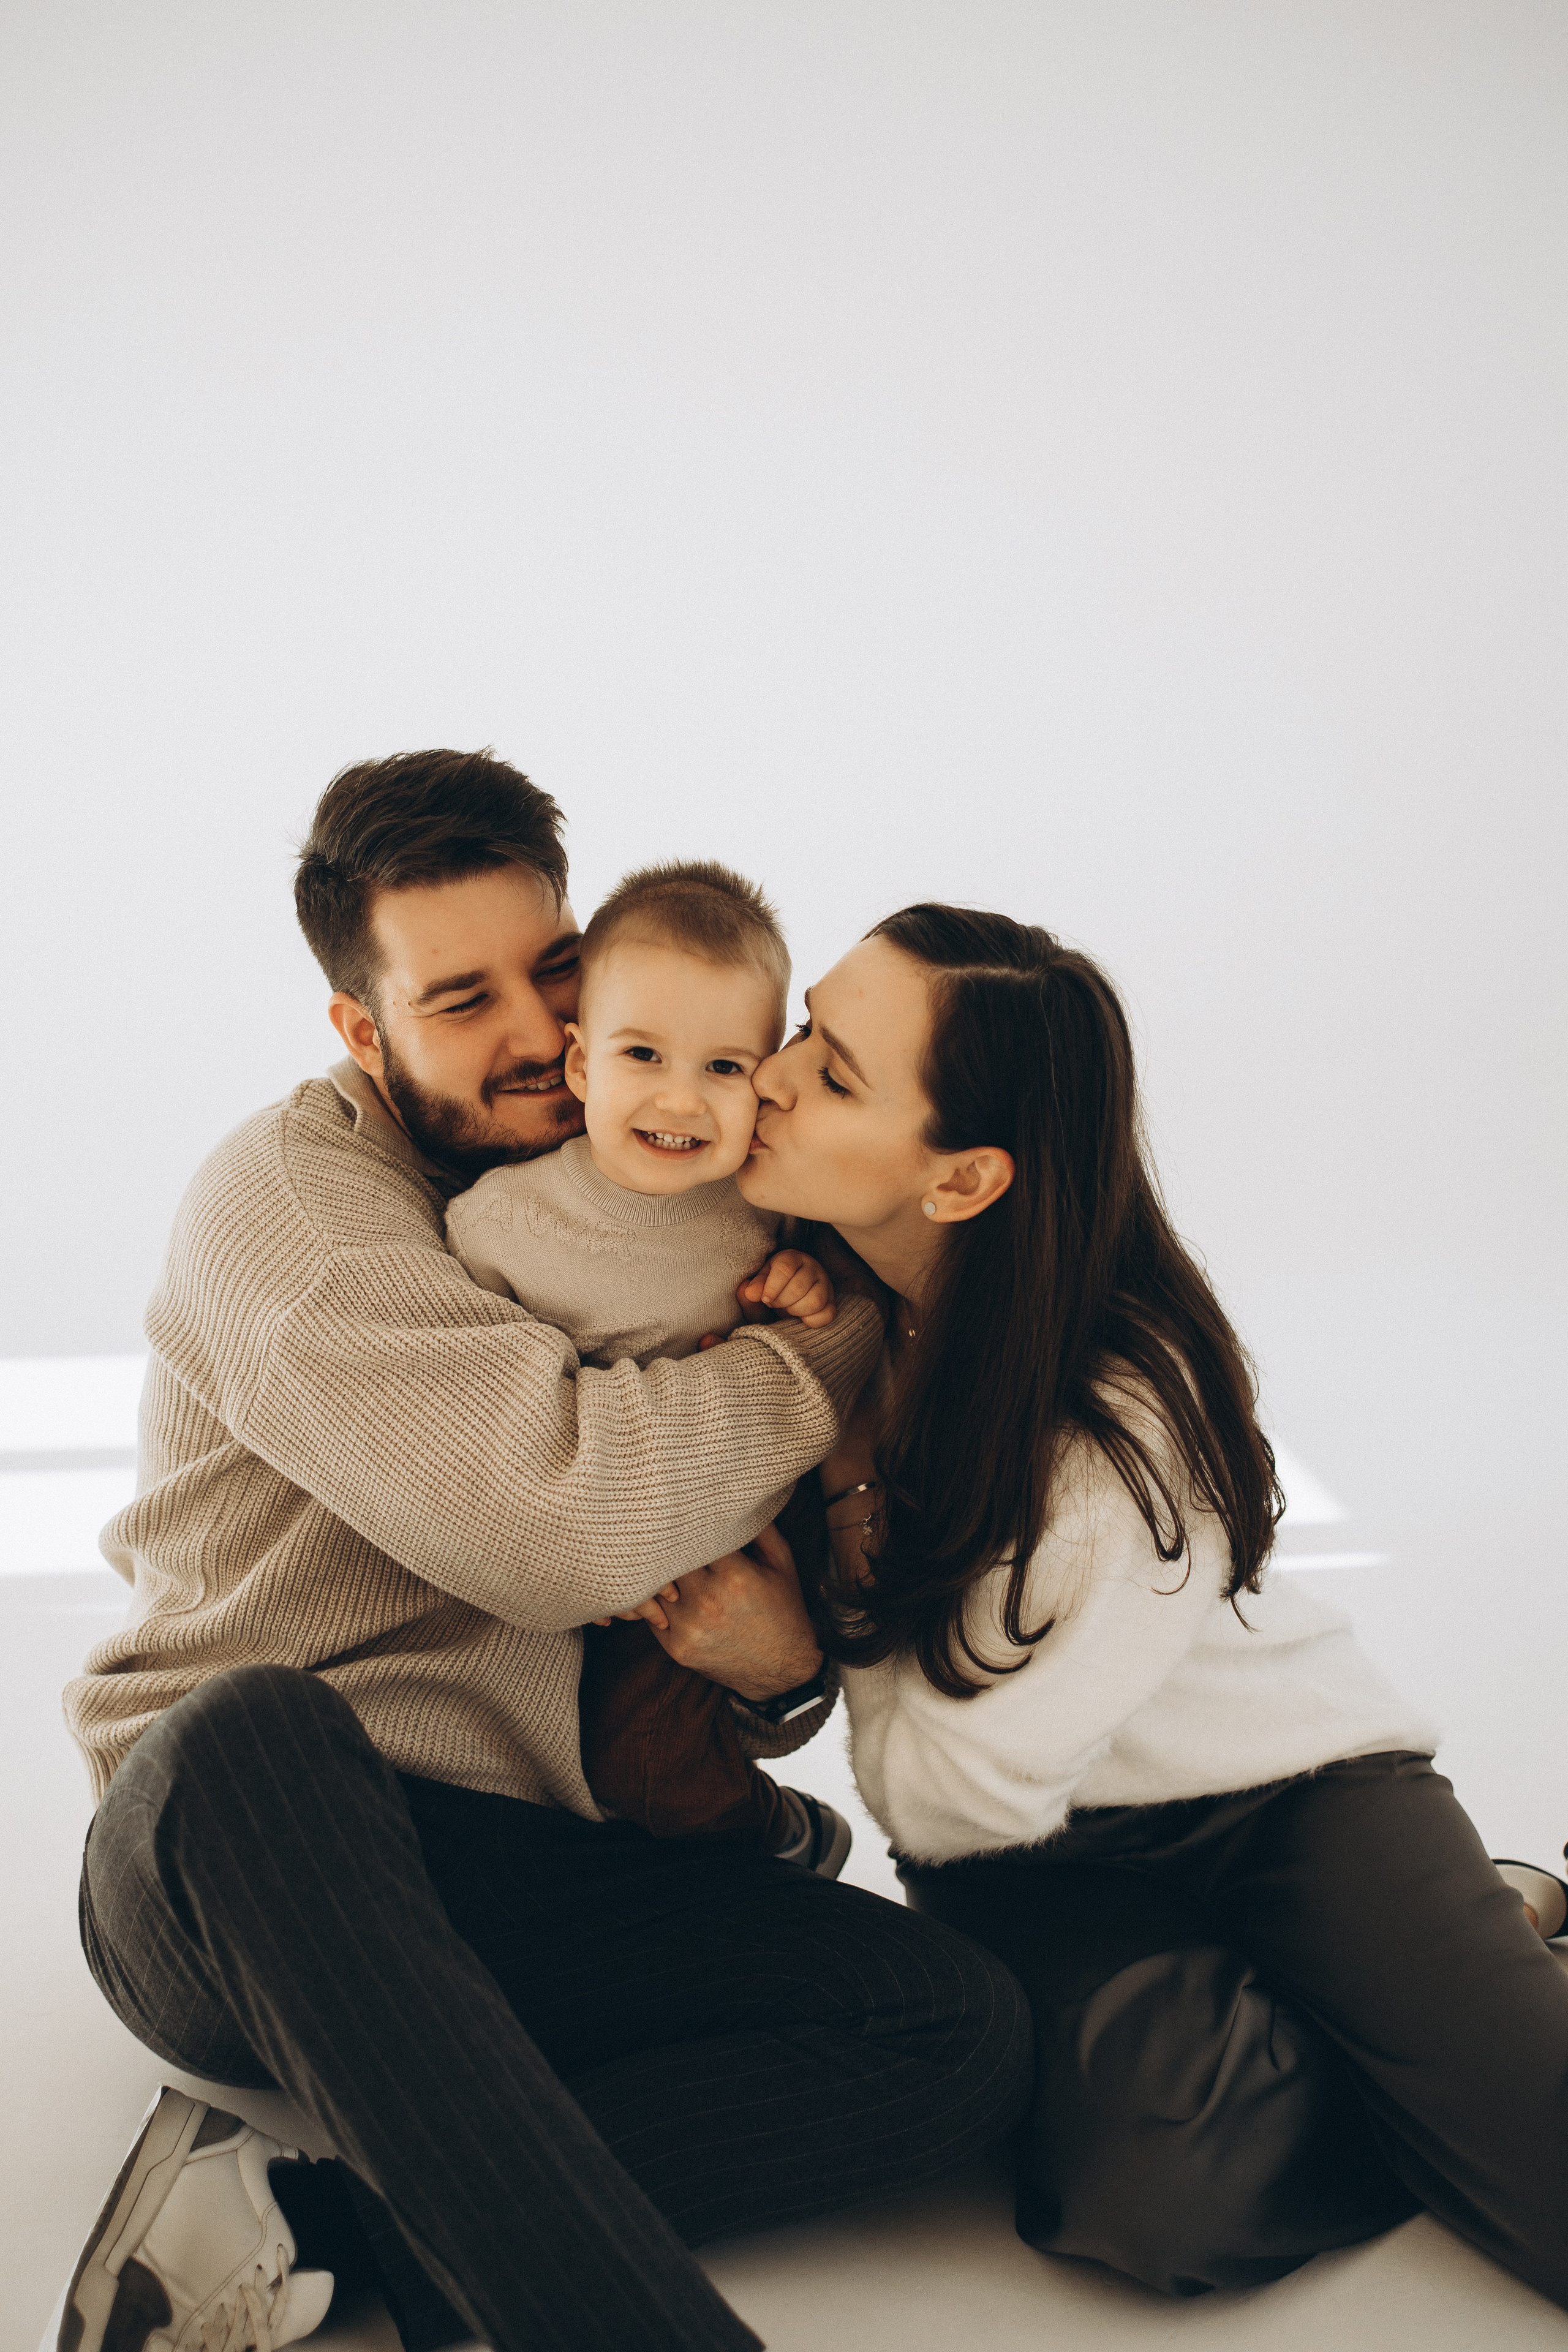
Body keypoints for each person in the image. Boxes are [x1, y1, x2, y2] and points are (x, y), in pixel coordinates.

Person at [55, 760, 1032, 2352]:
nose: (538, 1031)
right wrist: (824, 1359)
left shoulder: (662, 1193)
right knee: (255, 1730)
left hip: (518, 1862)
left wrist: (781, 1674)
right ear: (363, 1034)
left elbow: (694, 1607)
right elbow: (567, 1535)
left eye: (556, 967)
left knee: (959, 2030)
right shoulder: (296, 1213)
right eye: (461, 998)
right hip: (243, 1863)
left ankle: (300, 2221)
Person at [692, 899, 1568, 2310]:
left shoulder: (1118, 1418)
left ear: (962, 1180)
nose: (774, 1076)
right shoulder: (808, 1312)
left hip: (1280, 1797)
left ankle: (1481, 1958)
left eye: (836, 1072)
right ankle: (1432, 2021)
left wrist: (832, 1557)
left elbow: (937, 1799)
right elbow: (952, 1807)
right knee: (1155, 2203)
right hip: (1049, 1857)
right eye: (805, 1030)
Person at [447, 856, 851, 1874]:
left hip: (767, 1520)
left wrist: (800, 1279)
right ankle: (761, 1839)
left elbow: (834, 1307)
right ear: (581, 1067)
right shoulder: (503, 1223)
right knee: (638, 1763)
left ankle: (752, 1827)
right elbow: (498, 1420)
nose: (683, 1099)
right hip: (616, 1553)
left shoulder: (768, 1197)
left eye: (725, 1069)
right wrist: (594, 1570)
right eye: (643, 1055)